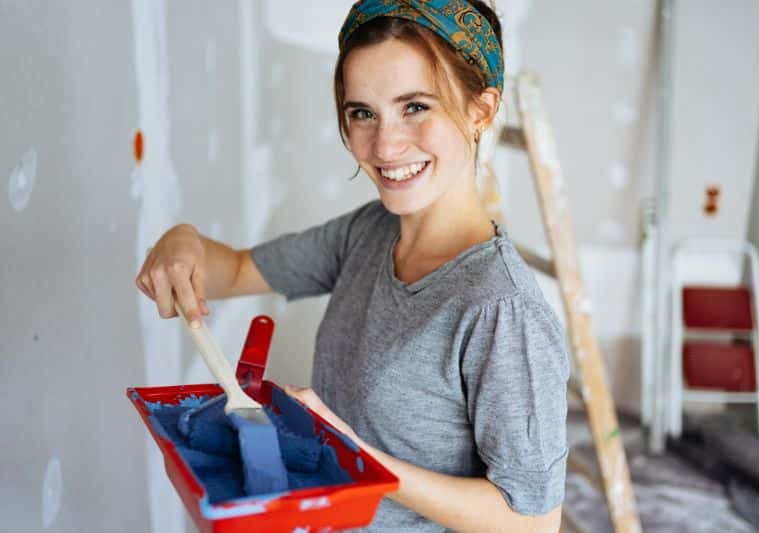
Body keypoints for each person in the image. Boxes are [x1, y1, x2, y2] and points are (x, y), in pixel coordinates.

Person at [135, 1, 569, 531]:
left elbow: (533, 521)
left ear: (481, 110)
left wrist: (353, 455)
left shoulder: (501, 309)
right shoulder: (369, 231)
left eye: (415, 107)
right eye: (362, 112)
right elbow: (237, 271)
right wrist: (183, 241)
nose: (384, 145)